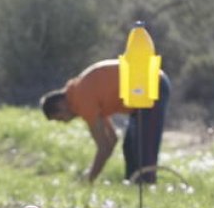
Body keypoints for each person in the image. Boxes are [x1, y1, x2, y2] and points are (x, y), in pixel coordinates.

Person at [40, 59, 170, 183]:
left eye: (60, 118)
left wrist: (89, 178)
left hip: (153, 85)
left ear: (60, 105)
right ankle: (134, 184)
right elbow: (111, 140)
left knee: (143, 147)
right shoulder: (81, 93)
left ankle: (146, 186)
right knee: (130, 147)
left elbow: (104, 147)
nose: (65, 122)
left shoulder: (82, 99)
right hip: (143, 93)